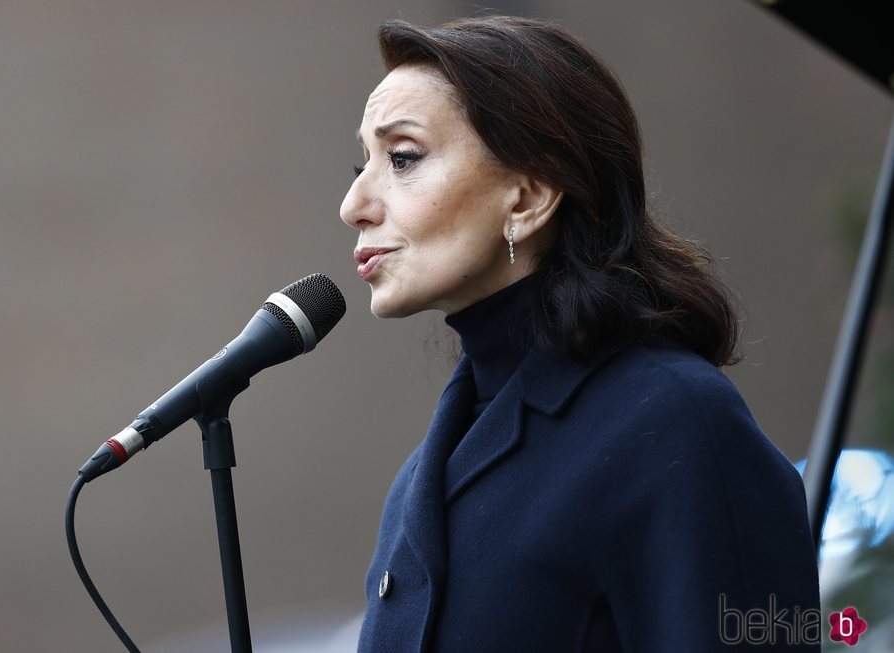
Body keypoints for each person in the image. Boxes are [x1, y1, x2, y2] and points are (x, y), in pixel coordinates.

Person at [339, 15, 821, 652]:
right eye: (361, 163)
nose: (354, 204)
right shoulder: (419, 484)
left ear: (530, 197)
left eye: (402, 158)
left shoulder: (674, 423)